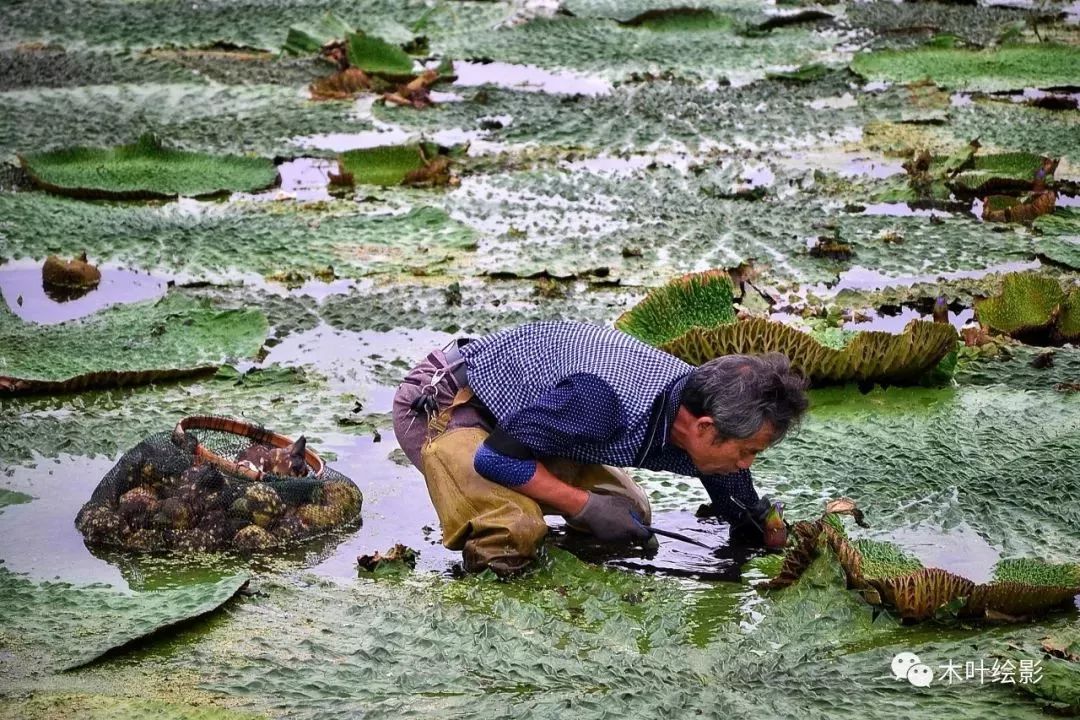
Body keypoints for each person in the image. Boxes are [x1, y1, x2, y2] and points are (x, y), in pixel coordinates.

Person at [392, 320, 809, 577]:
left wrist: (763, 526)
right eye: (747, 452)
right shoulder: (602, 402)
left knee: (627, 512)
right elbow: (495, 458)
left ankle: (557, 569)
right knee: (513, 528)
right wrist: (580, 505)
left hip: (536, 422)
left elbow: (738, 500)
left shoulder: (702, 405)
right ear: (704, 428)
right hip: (451, 402)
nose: (746, 464)